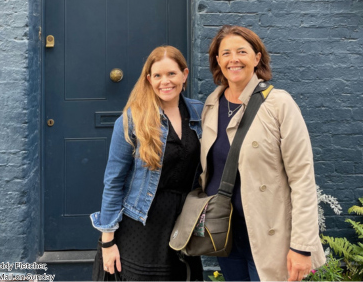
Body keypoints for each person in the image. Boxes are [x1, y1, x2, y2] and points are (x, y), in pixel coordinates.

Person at [200, 25, 325, 281]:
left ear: (257, 58)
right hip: (225, 233)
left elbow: (302, 179)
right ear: (217, 61)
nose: (233, 59)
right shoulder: (212, 105)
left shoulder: (279, 104)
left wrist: (302, 246)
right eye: (225, 53)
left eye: (242, 51)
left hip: (270, 236)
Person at [90, 46, 204, 281]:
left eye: (172, 74)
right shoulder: (132, 120)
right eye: (158, 75)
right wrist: (107, 241)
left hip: (184, 224)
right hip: (142, 223)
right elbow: (113, 182)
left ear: (185, 74)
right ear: (149, 79)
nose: (165, 81)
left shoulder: (200, 113)